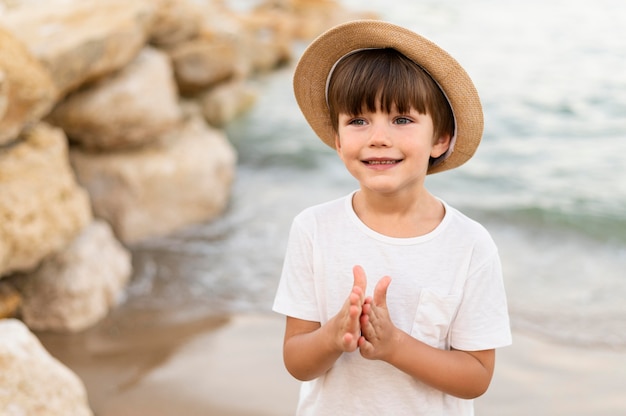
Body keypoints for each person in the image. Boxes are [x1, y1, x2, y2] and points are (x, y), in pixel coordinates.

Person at [272, 20, 511, 415]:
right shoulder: (314, 229)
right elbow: (297, 362)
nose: (377, 137)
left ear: (441, 139)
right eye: (358, 121)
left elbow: (476, 377)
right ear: (337, 138)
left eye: (402, 120)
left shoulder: (470, 244)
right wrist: (333, 336)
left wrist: (395, 346)